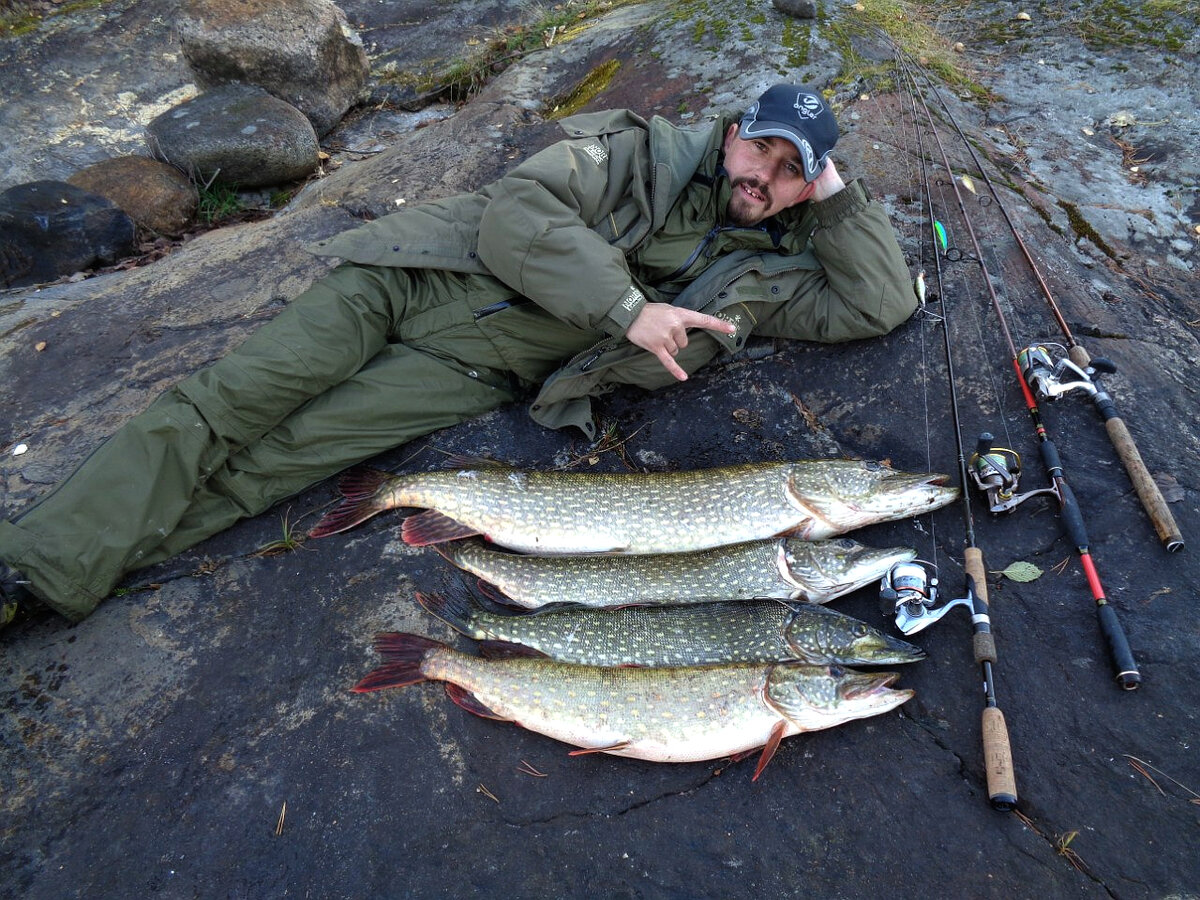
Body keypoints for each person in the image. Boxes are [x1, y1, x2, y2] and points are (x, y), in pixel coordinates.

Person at [0, 83, 915, 629]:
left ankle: (71, 578)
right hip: (403, 283)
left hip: (464, 372)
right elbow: (522, 210)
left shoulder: (770, 277)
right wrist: (628, 308)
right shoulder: (641, 154)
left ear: (807, 187)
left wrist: (836, 198)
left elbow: (881, 303)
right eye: (758, 146)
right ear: (730, 133)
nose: (762, 174)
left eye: (790, 168)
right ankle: (32, 567)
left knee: (274, 468)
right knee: (227, 404)